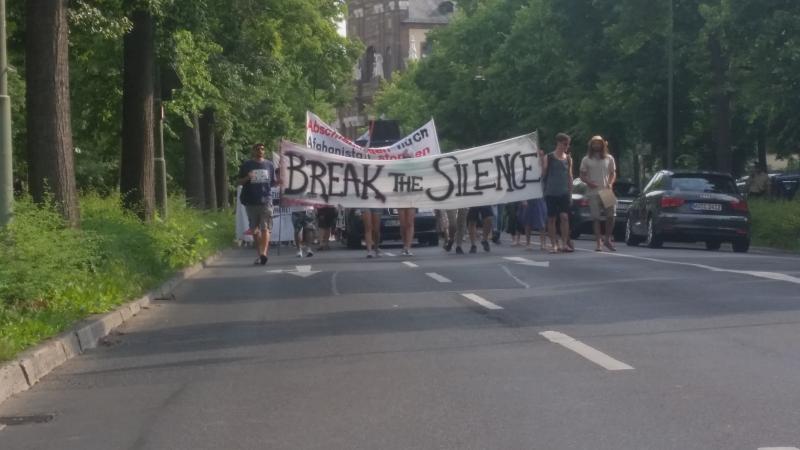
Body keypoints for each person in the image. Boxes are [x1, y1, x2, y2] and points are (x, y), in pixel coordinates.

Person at [238, 143, 276, 265]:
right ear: (253, 151)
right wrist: (247, 177)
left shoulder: (269, 165)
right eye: (258, 149)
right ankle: (260, 254)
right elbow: (239, 181)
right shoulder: (247, 165)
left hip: (266, 201)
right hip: (251, 201)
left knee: (265, 228)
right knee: (254, 229)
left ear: (264, 151)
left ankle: (263, 253)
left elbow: (273, 183)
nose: (260, 150)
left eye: (262, 149)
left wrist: (280, 181)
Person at [580, 136, 617, 252]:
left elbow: (613, 173)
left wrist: (610, 183)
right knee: (596, 218)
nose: (596, 145)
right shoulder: (586, 159)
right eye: (594, 143)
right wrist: (588, 182)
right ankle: (598, 242)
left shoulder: (609, 158)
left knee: (611, 216)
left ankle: (607, 239)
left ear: (603, 145)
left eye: (598, 143)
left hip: (606, 190)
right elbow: (582, 175)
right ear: (591, 145)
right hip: (593, 192)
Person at [542, 133, 574, 253]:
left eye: (568, 145)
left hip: (564, 192)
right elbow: (543, 173)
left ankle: (564, 243)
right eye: (565, 144)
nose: (567, 147)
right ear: (559, 143)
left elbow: (570, 176)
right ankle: (553, 244)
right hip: (550, 192)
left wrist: (570, 193)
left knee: (564, 217)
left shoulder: (569, 158)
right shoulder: (549, 157)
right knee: (551, 219)